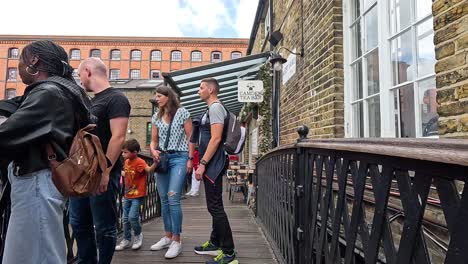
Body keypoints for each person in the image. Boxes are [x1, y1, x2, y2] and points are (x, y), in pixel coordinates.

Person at [0, 40, 92, 264]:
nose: (18, 66)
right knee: (35, 251)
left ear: (34, 61)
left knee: (39, 253)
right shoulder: (58, 91)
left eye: (21, 60)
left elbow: (6, 134)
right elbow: (13, 105)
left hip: (36, 182)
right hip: (40, 182)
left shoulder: (49, 94)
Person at [69, 57, 130, 264]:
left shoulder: (116, 98)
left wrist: (105, 172)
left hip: (102, 174)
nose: (80, 80)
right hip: (83, 173)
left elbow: (118, 136)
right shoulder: (91, 100)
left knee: (104, 226)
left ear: (87, 71)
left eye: (80, 75)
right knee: (78, 221)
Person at [194, 78, 238, 264]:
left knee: (215, 207)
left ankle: (229, 253)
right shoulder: (211, 108)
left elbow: (216, 138)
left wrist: (202, 163)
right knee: (215, 204)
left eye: (201, 88)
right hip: (212, 163)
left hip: (213, 163)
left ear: (211, 90)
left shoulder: (216, 107)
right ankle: (215, 242)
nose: (198, 91)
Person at [149, 85, 194, 259]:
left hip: (180, 158)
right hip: (163, 159)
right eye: (156, 96)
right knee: (164, 200)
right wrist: (153, 151)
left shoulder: (182, 112)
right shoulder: (156, 117)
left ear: (168, 97)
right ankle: (167, 236)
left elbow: (191, 137)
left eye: (159, 95)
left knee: (173, 197)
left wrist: (190, 159)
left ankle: (177, 240)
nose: (157, 98)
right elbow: (153, 141)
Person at [115, 139, 156, 251]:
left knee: (132, 217)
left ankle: (138, 235)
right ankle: (126, 239)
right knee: (124, 219)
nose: (123, 154)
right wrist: (115, 171)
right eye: (122, 152)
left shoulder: (140, 161)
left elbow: (148, 170)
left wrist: (155, 163)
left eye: (125, 152)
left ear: (135, 152)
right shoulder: (127, 162)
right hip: (127, 195)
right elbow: (125, 173)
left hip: (138, 195)